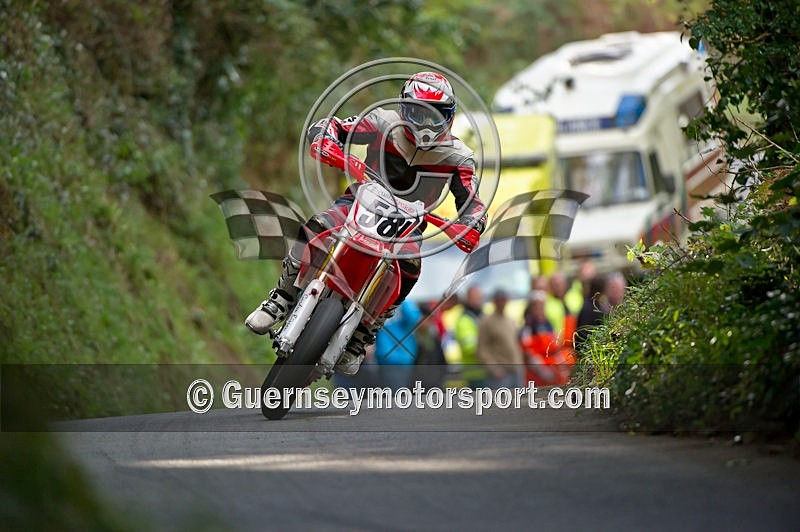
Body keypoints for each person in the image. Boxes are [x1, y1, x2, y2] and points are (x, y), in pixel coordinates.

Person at [244, 72, 487, 377]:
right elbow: (335, 126)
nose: (423, 123)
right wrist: (325, 139)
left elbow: (473, 202)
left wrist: (471, 224)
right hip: (359, 201)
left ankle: (363, 333)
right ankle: (281, 297)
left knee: (410, 268)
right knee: (318, 226)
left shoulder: (459, 157)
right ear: (403, 107)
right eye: (416, 113)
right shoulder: (382, 121)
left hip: (409, 225)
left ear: (448, 117)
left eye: (432, 116)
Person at [477, 290, 524, 389]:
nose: (502, 303)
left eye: (504, 300)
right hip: (501, 372)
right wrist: (493, 368)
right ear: (494, 302)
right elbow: (482, 349)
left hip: (516, 370)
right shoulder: (487, 321)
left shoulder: (510, 320)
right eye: (499, 300)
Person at [374, 299, 422, 390]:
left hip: (390, 358)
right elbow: (414, 318)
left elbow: (414, 318)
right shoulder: (402, 305)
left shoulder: (385, 302)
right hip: (397, 359)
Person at [453, 285, 486, 388]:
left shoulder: (482, 316)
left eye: (480, 297)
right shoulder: (463, 320)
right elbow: (469, 348)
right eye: (475, 297)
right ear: (468, 299)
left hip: (487, 371)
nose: (478, 300)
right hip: (474, 373)